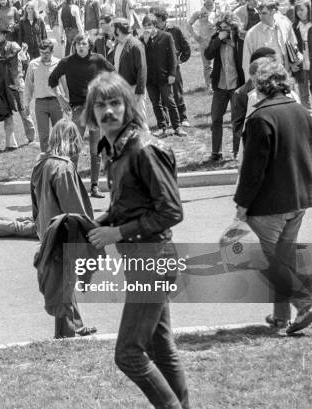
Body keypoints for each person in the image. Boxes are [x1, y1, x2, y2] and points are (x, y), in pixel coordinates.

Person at [84, 72, 189, 409]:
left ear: (128, 105)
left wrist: (118, 233)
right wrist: (91, 226)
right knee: (160, 347)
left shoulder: (144, 148)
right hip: (140, 259)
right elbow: (127, 207)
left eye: (115, 102)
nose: (108, 111)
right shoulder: (115, 149)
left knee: (129, 354)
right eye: (100, 105)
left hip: (153, 259)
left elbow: (171, 211)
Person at [234, 59, 312, 335]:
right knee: (284, 258)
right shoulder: (302, 112)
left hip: (269, 204)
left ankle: (305, 303)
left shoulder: (260, 118)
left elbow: (253, 169)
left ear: (261, 87)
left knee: (270, 261)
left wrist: (242, 204)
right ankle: (281, 318)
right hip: (298, 199)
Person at [30, 118, 98, 338]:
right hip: (64, 232)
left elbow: (34, 200)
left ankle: (75, 324)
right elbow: (74, 208)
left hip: (47, 227)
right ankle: (65, 334)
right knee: (64, 283)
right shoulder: (63, 167)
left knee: (63, 279)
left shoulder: (41, 164)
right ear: (71, 140)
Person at [48, 33, 114, 198]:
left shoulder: (98, 59)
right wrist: (60, 98)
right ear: (74, 45)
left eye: (84, 43)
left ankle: (94, 186)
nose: (81, 46)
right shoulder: (67, 62)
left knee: (95, 150)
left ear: (89, 45)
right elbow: (52, 79)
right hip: (77, 110)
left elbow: (113, 73)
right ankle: (71, 187)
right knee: (74, 150)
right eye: (78, 44)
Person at [0, 23, 37, 150]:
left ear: (4, 35)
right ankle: (11, 144)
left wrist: (23, 58)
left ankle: (31, 139)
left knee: (24, 111)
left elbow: (25, 61)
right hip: (3, 87)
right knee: (7, 115)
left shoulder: (13, 46)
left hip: (17, 84)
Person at [204, 11, 245, 162]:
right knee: (215, 119)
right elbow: (208, 55)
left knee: (236, 120)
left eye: (225, 28)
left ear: (233, 27)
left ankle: (236, 152)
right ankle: (216, 153)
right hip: (220, 86)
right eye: (220, 28)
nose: (222, 31)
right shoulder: (217, 38)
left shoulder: (241, 39)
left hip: (237, 86)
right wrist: (218, 40)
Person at [140, 14, 188, 138]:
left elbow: (173, 57)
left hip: (165, 76)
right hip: (150, 79)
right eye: (145, 25)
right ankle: (162, 127)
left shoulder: (166, 36)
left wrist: (172, 73)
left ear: (155, 24)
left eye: (149, 25)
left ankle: (177, 126)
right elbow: (141, 58)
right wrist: (145, 42)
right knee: (156, 103)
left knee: (169, 101)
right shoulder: (141, 39)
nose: (147, 28)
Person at [151, 6, 191, 128]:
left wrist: (180, 60)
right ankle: (166, 121)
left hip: (174, 68)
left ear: (163, 19)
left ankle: (183, 118)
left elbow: (186, 48)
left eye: (156, 19)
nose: (155, 22)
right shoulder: (153, 31)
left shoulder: (175, 30)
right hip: (160, 69)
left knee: (177, 92)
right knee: (163, 95)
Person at [23, 39, 63, 153]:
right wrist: (26, 103)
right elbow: (28, 86)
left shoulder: (58, 63)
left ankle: (59, 158)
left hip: (56, 102)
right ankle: (45, 160)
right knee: (43, 136)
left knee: (59, 133)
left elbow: (65, 83)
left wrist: (68, 100)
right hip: (40, 104)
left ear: (52, 51)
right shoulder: (33, 64)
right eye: (42, 53)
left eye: (47, 53)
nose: (44, 55)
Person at [242, 1, 299, 80]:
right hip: (266, 81)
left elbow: (293, 45)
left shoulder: (285, 25)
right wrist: (251, 83)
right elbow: (246, 63)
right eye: (259, 13)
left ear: (273, 12)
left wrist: (293, 62)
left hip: (286, 76)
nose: (260, 16)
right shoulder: (251, 34)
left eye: (264, 13)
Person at [109, 18, 147, 126]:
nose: (112, 32)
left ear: (119, 30)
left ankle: (145, 140)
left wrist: (139, 91)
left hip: (134, 88)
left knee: (139, 119)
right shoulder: (117, 45)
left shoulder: (135, 45)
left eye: (113, 28)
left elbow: (142, 69)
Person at [187, 0, 218, 90]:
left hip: (218, 41)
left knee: (220, 63)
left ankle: (219, 84)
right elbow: (188, 24)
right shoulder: (199, 13)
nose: (209, 2)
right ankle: (209, 86)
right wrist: (195, 36)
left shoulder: (218, 11)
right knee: (207, 65)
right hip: (204, 42)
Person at [293, 1, 312, 109]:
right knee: (303, 91)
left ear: (308, 9)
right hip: (300, 61)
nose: (299, 13)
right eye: (297, 10)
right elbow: (291, 45)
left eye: (302, 9)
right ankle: (309, 116)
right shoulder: (294, 26)